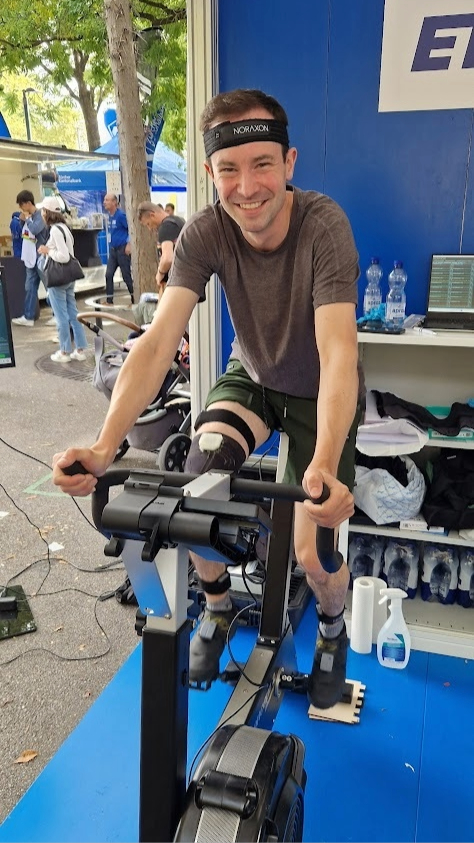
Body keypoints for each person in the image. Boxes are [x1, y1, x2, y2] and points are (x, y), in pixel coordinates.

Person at [52, 88, 362, 710]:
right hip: (253, 376)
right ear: (209, 173)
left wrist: (323, 460)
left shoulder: (323, 225)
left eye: (262, 165)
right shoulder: (205, 232)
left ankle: (333, 629)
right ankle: (217, 610)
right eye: (229, 169)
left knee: (311, 549)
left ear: (290, 161)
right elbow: (160, 339)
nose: (247, 187)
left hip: (315, 389)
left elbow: (337, 355)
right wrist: (105, 445)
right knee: (200, 483)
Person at [37, 196, 88, 363]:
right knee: (73, 314)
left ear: (48, 213)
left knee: (61, 317)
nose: (42, 214)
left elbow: (63, 256)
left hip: (57, 278)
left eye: (43, 211)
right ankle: (80, 349)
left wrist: (47, 250)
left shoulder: (54, 230)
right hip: (68, 277)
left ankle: (65, 351)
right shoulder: (64, 228)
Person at [11, 190, 49, 327]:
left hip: (40, 256)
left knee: (49, 286)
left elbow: (34, 229)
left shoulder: (40, 215)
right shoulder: (30, 216)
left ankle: (58, 315)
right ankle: (28, 316)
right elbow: (25, 232)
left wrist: (26, 218)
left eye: (22, 205)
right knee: (30, 287)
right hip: (30, 256)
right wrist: (23, 221)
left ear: (28, 203)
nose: (21, 208)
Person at [137, 201, 185, 297]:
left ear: (152, 215)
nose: (150, 228)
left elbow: (167, 258)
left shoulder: (166, 227)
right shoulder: (178, 221)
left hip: (174, 283)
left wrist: (160, 273)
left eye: (148, 224)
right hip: (183, 281)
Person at [103, 194, 134, 305]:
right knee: (108, 274)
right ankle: (109, 300)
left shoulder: (121, 215)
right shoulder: (110, 216)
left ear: (114, 202)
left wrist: (129, 243)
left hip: (122, 249)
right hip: (113, 250)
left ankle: (134, 299)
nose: (104, 202)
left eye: (107, 200)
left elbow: (131, 228)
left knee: (126, 276)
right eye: (105, 200)